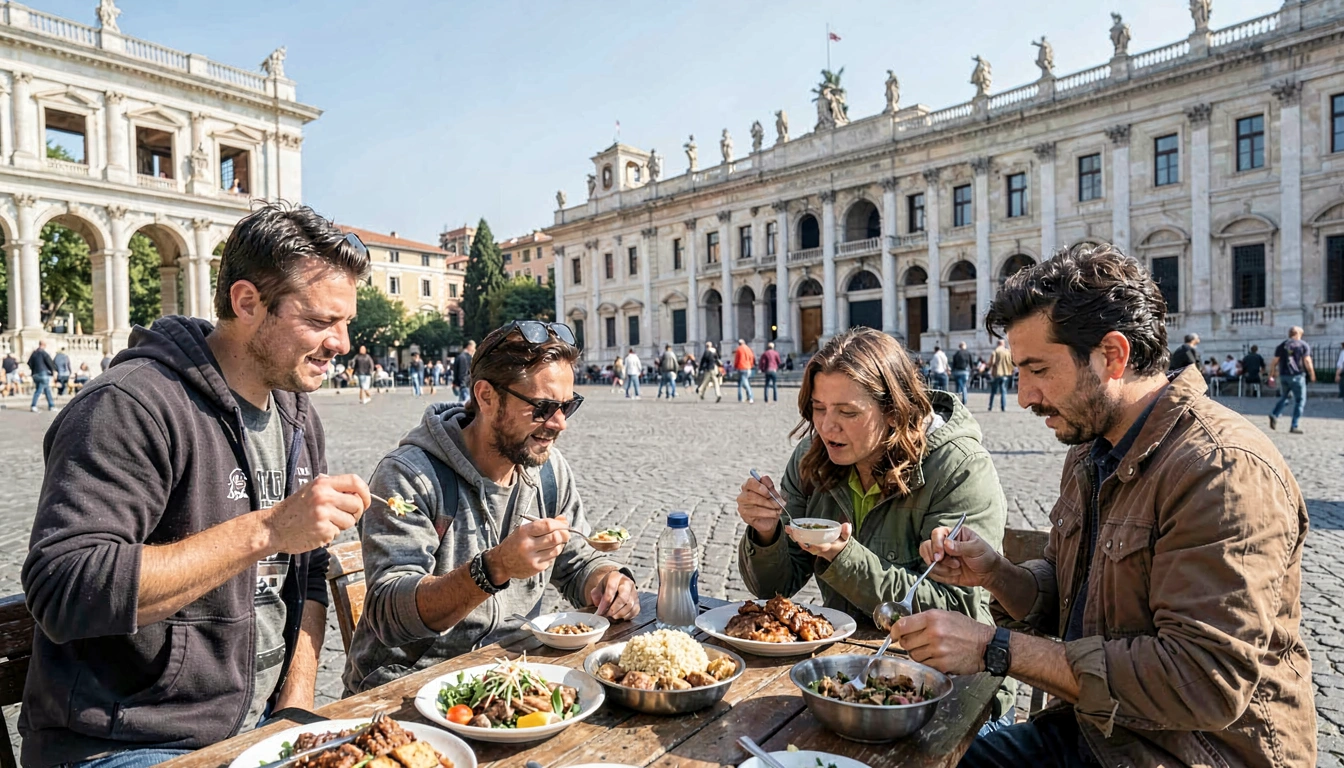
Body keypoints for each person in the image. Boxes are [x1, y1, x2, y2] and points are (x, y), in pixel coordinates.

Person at [891, 243, 1316, 768]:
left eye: (1038, 369)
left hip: (1190, 753)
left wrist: (992, 647)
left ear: (1113, 356)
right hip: (1096, 731)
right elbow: (1072, 596)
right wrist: (997, 574)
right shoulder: (1092, 445)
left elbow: (1204, 681)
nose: (1024, 395)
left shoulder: (1221, 470)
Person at [20, 203, 374, 768]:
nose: (342, 342)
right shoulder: (128, 405)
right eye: (320, 321)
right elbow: (64, 587)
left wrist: (295, 705)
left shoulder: (297, 416)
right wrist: (268, 529)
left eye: (346, 322)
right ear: (247, 302)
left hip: (263, 724)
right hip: (127, 742)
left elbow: (308, 575)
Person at [736, 327, 1016, 732]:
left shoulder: (959, 467)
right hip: (849, 678)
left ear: (894, 411)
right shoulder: (812, 459)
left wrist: (843, 557)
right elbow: (772, 588)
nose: (827, 427)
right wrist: (767, 534)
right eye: (818, 408)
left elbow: (957, 612)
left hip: (955, 696)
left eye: (847, 413)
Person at [345, 321, 638, 692]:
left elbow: (577, 562)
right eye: (543, 407)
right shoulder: (409, 476)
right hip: (407, 689)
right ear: (486, 397)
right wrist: (493, 568)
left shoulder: (549, 470)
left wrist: (607, 581)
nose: (560, 423)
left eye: (567, 406)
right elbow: (390, 613)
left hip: (512, 677)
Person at [1268, 326, 1315, 434]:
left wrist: (1272, 374)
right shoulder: (1302, 345)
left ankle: (1274, 414)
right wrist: (1312, 373)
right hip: (1297, 376)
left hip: (1284, 376)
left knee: (1285, 396)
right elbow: (1307, 360)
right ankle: (1294, 425)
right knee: (1300, 400)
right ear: (1298, 334)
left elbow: (1274, 361)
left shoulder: (1282, 345)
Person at [27, 339, 57, 413]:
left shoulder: (34, 353)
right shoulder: (44, 353)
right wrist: (53, 371)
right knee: (39, 390)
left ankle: (51, 405)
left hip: (35, 374)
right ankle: (33, 405)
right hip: (43, 373)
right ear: (44, 345)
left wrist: (33, 369)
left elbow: (29, 363)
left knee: (47, 389)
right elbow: (50, 363)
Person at [987, 339, 1013, 412]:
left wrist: (988, 368)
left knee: (993, 391)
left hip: (997, 373)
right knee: (1003, 391)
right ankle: (1003, 407)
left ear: (997, 344)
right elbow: (1011, 362)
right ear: (1003, 344)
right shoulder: (1007, 352)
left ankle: (990, 406)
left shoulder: (995, 351)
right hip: (1006, 373)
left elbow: (992, 362)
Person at [733, 339, 756, 403]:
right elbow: (752, 358)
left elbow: (737, 359)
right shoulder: (748, 349)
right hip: (748, 367)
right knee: (744, 382)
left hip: (741, 367)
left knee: (743, 384)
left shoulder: (739, 349)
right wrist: (751, 365)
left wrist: (735, 366)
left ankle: (748, 397)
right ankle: (746, 397)